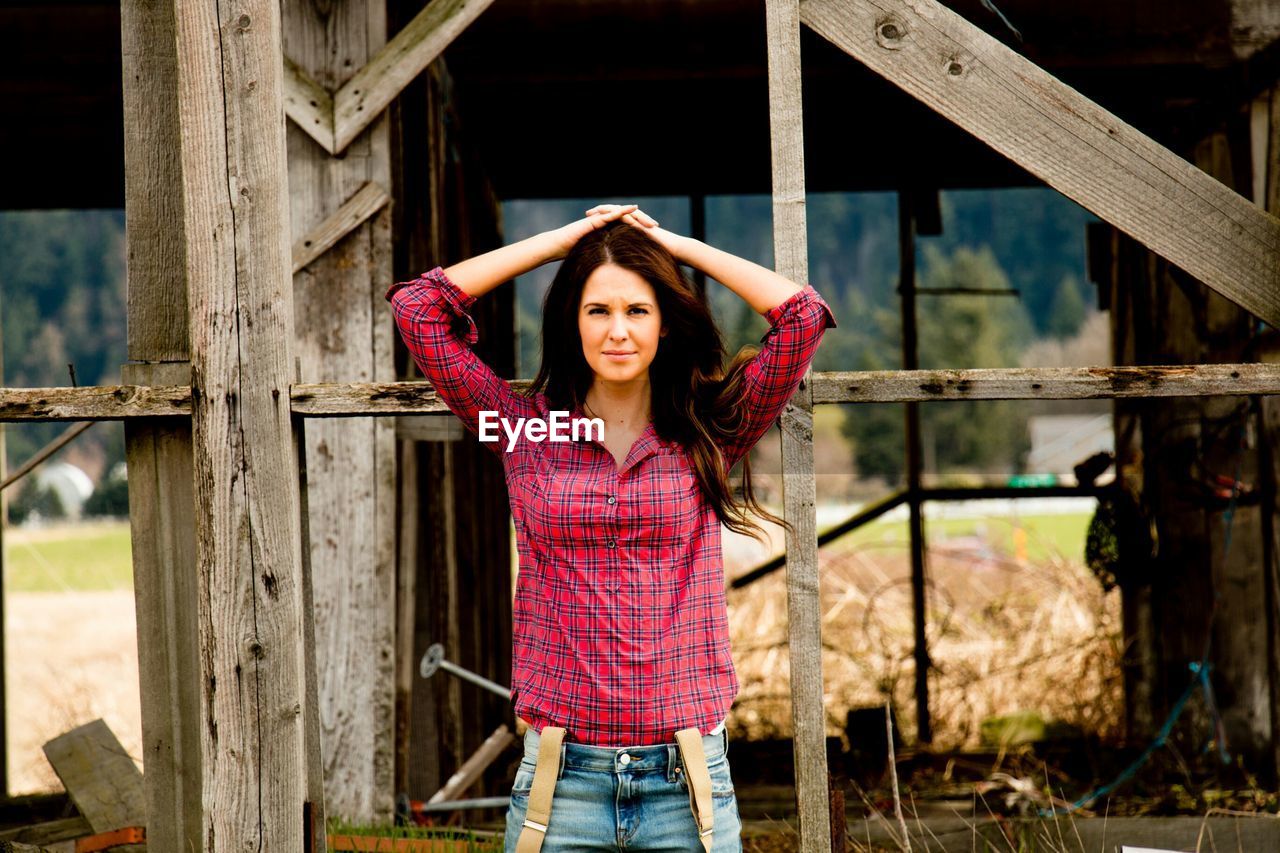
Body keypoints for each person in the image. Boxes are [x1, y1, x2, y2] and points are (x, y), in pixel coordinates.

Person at [386, 203, 837, 852]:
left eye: (637, 310)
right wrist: (555, 246)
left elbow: (803, 318)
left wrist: (680, 249)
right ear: (572, 322)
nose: (618, 330)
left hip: (686, 783)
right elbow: (418, 310)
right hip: (560, 782)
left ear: (663, 325)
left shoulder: (708, 432)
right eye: (598, 310)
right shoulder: (523, 432)